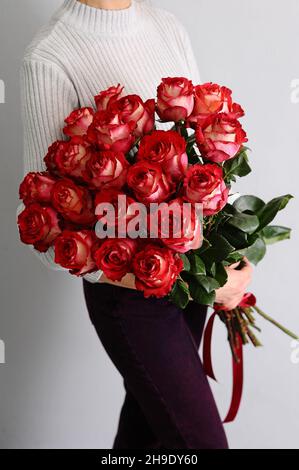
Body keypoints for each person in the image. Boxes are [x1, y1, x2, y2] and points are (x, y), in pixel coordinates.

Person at [20, 0, 253, 449]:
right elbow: (43, 229)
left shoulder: (166, 27)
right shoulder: (49, 56)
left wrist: (224, 259)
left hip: (188, 279)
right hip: (128, 295)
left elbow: (200, 159)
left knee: (147, 438)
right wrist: (199, 280)